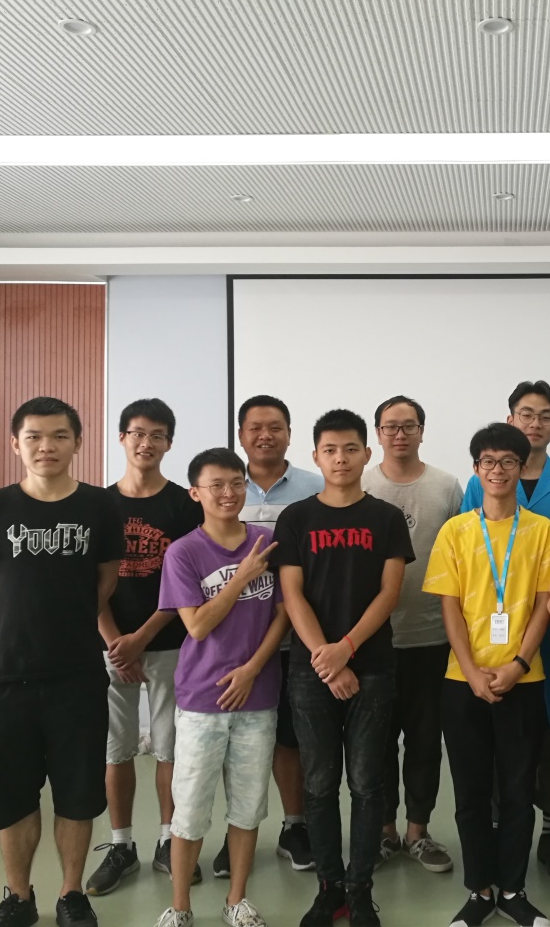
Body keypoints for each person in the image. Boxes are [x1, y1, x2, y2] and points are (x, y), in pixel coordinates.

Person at [0, 396, 124, 927]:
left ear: (77, 442)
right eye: (33, 436)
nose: (46, 446)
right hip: (5, 677)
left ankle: (71, 894)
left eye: (59, 436)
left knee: (78, 793)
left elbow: (105, 582)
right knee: (12, 795)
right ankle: (18, 897)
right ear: (16, 444)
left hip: (77, 676)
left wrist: (65, 625)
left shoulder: (100, 507)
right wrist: (22, 630)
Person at [273, 408, 416, 927]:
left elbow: (389, 593)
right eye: (330, 450)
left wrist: (347, 649)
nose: (340, 458)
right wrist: (328, 660)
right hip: (312, 671)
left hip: (372, 667)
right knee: (318, 783)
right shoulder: (296, 518)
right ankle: (328, 887)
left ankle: (359, 889)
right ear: (316, 456)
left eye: (351, 449)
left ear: (366, 453)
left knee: (366, 783)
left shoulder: (386, 518)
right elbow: (292, 594)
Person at [425, 422, 550, 927]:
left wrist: (518, 663)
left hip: (523, 682)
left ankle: (512, 890)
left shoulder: (543, 531)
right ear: (476, 469)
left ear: (521, 468)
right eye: (489, 461)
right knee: (470, 793)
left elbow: (545, 604)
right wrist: (471, 670)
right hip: (463, 682)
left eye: (508, 461)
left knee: (518, 792)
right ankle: (479, 890)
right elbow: (449, 606)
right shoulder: (456, 531)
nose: (498, 470)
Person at [154, 447, 289, 927]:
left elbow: (283, 615)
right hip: (201, 701)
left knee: (248, 808)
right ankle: (180, 906)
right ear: (196, 493)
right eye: (217, 485)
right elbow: (197, 625)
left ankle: (237, 899)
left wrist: (252, 668)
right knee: (189, 811)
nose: (229, 493)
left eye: (236, 483)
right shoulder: (183, 552)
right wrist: (242, 577)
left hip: (258, 695)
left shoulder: (267, 541)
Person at [462, 380, 550, 882]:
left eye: (545, 415)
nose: (535, 423)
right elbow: (469, 557)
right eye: (525, 414)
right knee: (500, 746)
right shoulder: (481, 481)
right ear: (510, 419)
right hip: (491, 644)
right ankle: (499, 833)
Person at [87, 399, 205, 897]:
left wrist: (141, 639)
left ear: (169, 443)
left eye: (157, 435)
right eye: (137, 433)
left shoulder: (184, 505)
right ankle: (121, 846)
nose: (146, 443)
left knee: (168, 747)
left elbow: (190, 584)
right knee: (115, 749)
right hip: (109, 646)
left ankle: (167, 840)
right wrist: (117, 642)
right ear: (122, 438)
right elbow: (89, 582)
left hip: (169, 643)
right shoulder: (97, 505)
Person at [211, 395, 324, 879]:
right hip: (234, 642)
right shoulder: (224, 489)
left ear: (289, 434)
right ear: (241, 435)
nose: (265, 435)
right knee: (233, 741)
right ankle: (235, 831)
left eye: (275, 427)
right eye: (255, 427)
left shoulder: (315, 487)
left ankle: (294, 826)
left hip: (296, 634)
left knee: (290, 738)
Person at [361, 396, 463, 875]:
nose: (399, 434)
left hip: (432, 636)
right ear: (378, 433)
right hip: (373, 639)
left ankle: (418, 832)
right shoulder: (361, 483)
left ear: (422, 430)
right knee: (377, 742)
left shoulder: (446, 486)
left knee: (425, 741)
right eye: (390, 426)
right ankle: (384, 832)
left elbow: (463, 553)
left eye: (409, 426)